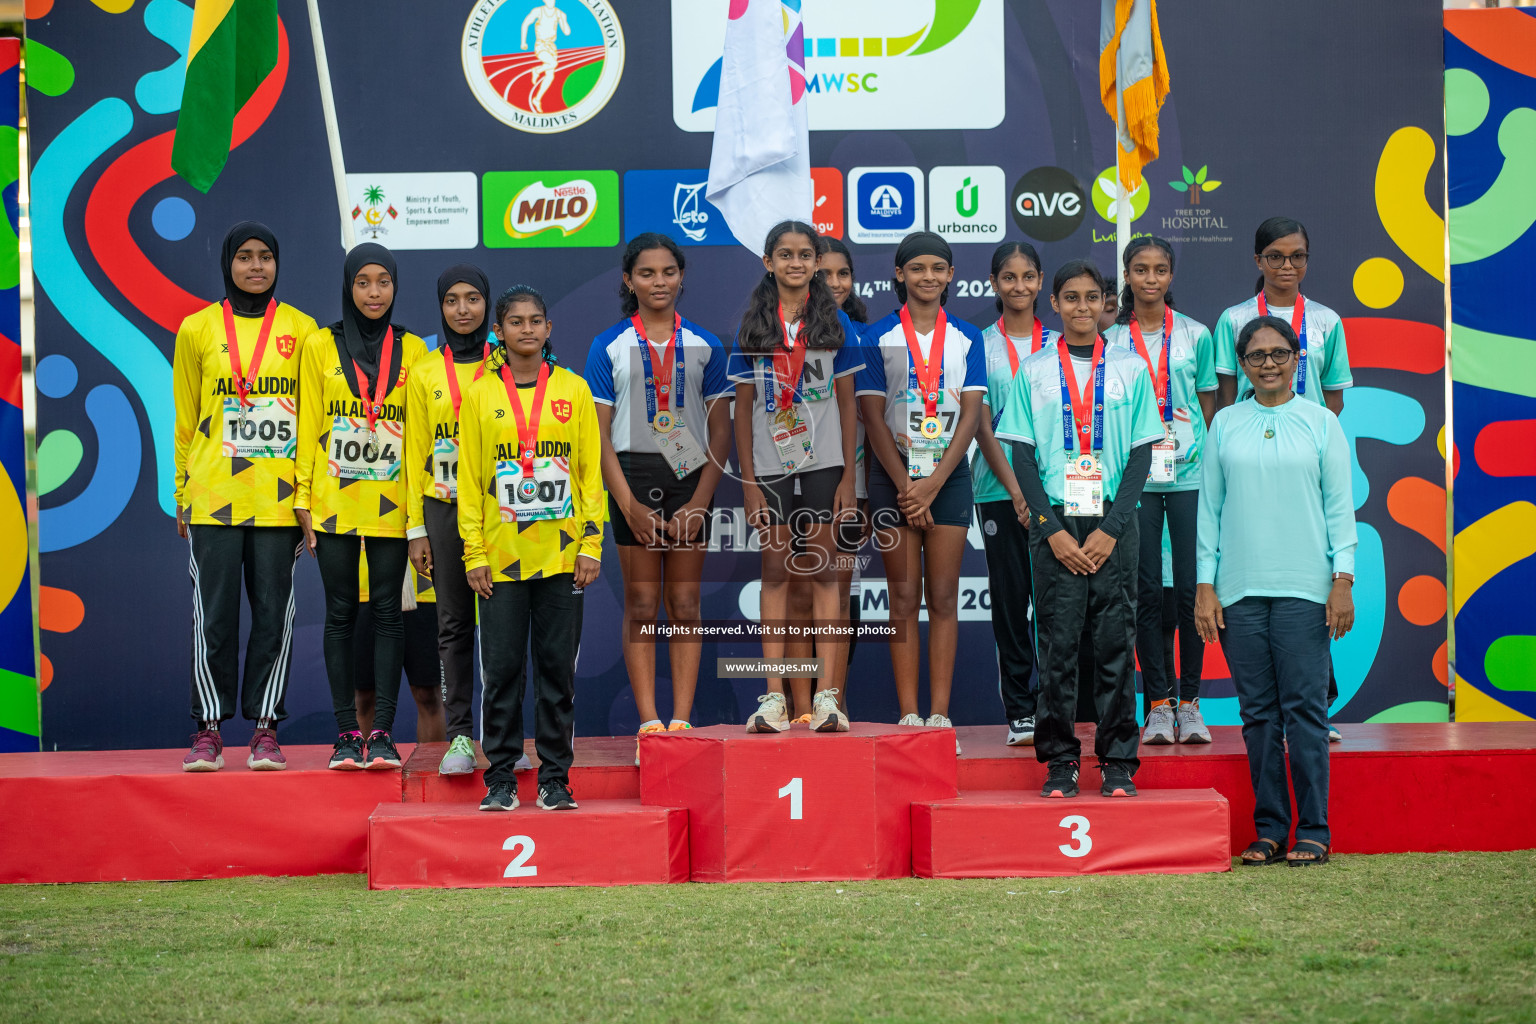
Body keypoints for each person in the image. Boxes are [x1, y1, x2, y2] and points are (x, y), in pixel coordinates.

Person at [995, 259, 1163, 799]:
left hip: (1114, 520)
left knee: (1116, 645)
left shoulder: (1132, 369)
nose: (1082, 307)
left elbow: (1140, 456)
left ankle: (1117, 760)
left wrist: (1113, 528)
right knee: (1059, 647)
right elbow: (1021, 457)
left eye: (1092, 297)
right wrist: (1050, 530)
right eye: (1072, 298)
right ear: (1056, 304)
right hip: (1056, 523)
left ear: (1105, 303)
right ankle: (1060, 761)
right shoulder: (1036, 371)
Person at [1196, 315, 1356, 866]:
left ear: (1297, 360)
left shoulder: (1320, 423)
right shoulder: (1225, 425)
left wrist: (1343, 581)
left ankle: (1314, 830)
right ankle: (1269, 830)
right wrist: (1205, 585)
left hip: (1305, 589)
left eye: (1279, 353)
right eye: (1256, 355)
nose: (1268, 363)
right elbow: (1209, 511)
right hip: (1239, 592)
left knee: (1305, 712)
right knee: (1258, 715)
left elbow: (1340, 508)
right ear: (1241, 365)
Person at [174, 222, 317, 771]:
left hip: (279, 503)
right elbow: (186, 417)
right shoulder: (198, 329)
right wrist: (181, 492)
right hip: (213, 497)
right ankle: (208, 731)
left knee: (272, 616)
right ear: (228, 263)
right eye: (245, 257)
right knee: (211, 615)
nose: (256, 267)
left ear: (277, 265)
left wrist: (305, 497)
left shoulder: (303, 330)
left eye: (265, 257)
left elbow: (311, 423)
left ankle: (264, 729)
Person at [585, 234, 732, 760]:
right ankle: (649, 720)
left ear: (682, 276)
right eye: (647, 273)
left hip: (691, 476)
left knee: (685, 603)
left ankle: (682, 719)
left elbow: (720, 434)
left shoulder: (706, 345)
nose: (659, 282)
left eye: (668, 271)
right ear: (629, 281)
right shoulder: (608, 346)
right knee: (643, 603)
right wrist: (626, 504)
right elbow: (598, 437)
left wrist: (700, 502)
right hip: (631, 476)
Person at [459, 285, 603, 812]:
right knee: (501, 673)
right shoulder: (479, 393)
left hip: (562, 557)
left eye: (535, 321)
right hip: (499, 559)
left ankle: (555, 779)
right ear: (498, 331)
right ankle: (498, 778)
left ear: (548, 329)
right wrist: (473, 553)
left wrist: (592, 544)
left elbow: (591, 476)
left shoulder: (573, 389)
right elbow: (470, 482)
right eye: (514, 322)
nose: (526, 329)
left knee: (556, 672)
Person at [1214, 216, 1352, 742]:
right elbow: (1226, 396)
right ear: (1258, 261)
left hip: (1307, 458)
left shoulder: (1326, 320)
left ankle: (1319, 702)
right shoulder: (1233, 320)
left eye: (1297, 256)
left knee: (1312, 578)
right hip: (1251, 451)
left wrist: (1308, 441)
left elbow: (1333, 398)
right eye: (1276, 256)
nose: (1287, 266)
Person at [295, 243, 429, 771]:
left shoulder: (415, 350)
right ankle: (346, 732)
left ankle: (384, 734)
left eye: (384, 283)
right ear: (348, 286)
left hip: (394, 506)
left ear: (396, 288)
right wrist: (302, 498)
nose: (374, 293)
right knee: (341, 615)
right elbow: (307, 424)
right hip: (333, 504)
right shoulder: (318, 346)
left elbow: (420, 439)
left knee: (389, 616)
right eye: (363, 283)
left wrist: (417, 514)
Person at [730, 221, 862, 735]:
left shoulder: (836, 325)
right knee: (778, 575)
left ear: (815, 263)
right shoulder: (753, 328)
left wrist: (850, 475)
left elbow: (849, 403)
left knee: (827, 575)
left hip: (827, 463)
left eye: (805, 255)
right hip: (770, 467)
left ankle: (828, 696)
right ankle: (774, 697)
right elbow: (742, 411)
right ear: (768, 262)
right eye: (785, 255)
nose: (796, 263)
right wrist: (746, 482)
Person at [857, 231, 986, 751]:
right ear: (898, 275)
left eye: (938, 268)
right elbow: (870, 414)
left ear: (951, 275)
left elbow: (973, 415)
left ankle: (939, 716)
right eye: (917, 269)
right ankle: (909, 715)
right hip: (893, 479)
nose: (927, 277)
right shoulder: (875, 336)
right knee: (904, 597)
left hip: (948, 478)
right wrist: (907, 484)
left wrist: (931, 484)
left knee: (945, 596)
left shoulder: (967, 337)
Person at [1104, 236, 1217, 745]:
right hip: (1138, 478)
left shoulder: (1196, 334)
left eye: (1160, 270)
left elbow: (1211, 407)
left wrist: (1212, 466)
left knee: (1192, 589)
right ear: (1127, 275)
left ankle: (1191, 703)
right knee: (1146, 588)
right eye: (1141, 269)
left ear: (1172, 276)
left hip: (1191, 475)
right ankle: (1157, 703)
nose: (1151, 279)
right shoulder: (1110, 339)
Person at [403, 265, 493, 775]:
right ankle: (460, 737)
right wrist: (416, 530)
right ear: (440, 306)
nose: (463, 310)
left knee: (501, 627)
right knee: (453, 624)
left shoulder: (508, 364)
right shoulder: (424, 372)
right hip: (441, 506)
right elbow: (413, 454)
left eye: (474, 299)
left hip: (502, 507)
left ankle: (501, 736)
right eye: (453, 300)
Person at [973, 241, 1055, 748]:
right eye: (1009, 277)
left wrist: (1039, 494)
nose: (1019, 286)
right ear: (994, 283)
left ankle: (1058, 703)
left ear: (1041, 281)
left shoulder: (1063, 340)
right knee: (1010, 602)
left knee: (1059, 603)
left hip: (1061, 493)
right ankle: (1022, 712)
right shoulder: (979, 344)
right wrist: (1017, 490)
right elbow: (981, 426)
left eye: (1028, 277)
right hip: (998, 490)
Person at [819, 237, 871, 698]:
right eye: (825, 273)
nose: (834, 283)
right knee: (798, 592)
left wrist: (855, 484)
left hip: (848, 483)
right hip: (794, 479)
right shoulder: (780, 329)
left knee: (841, 588)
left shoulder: (861, 333)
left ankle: (833, 697)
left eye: (843, 274)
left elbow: (873, 418)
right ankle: (797, 700)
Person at [354, 556, 446, 743]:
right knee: (363, 696)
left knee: (428, 693)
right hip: (364, 587)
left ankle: (429, 766)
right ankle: (362, 766)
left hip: (423, 586)